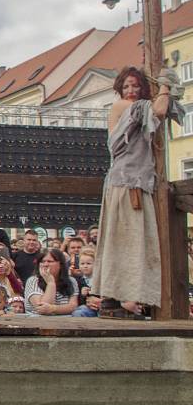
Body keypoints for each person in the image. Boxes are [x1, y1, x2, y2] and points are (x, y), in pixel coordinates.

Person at [92, 66, 184, 317]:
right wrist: (165, 86)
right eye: (126, 86)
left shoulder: (137, 107)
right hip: (128, 183)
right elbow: (160, 110)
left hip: (130, 181)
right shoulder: (123, 106)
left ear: (143, 87)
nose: (131, 91)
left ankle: (112, 297)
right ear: (120, 90)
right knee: (131, 241)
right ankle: (125, 298)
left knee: (121, 240)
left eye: (135, 86)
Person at [24, 249, 79, 316]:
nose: (45, 264)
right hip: (38, 321)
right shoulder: (33, 280)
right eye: (42, 261)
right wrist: (51, 283)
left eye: (50, 261)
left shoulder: (71, 281)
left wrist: (53, 308)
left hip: (65, 322)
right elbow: (42, 308)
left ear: (60, 264)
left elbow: (73, 306)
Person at [72, 248, 101, 317]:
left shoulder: (100, 279)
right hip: (86, 307)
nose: (85, 266)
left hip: (100, 307)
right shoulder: (78, 280)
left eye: (89, 263)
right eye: (82, 264)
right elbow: (77, 301)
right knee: (79, 312)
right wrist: (83, 295)